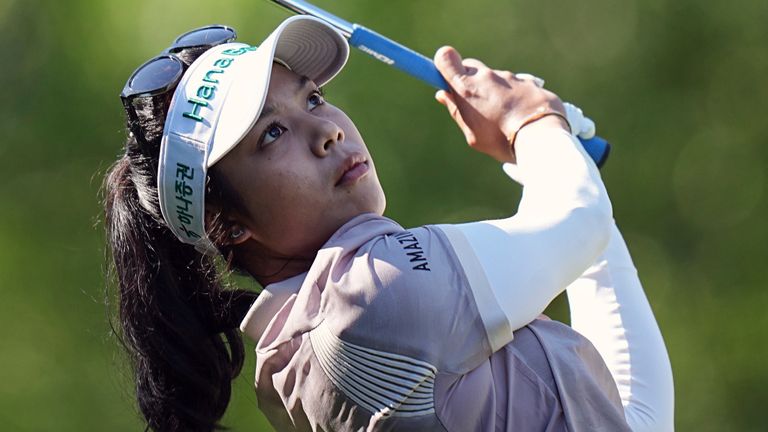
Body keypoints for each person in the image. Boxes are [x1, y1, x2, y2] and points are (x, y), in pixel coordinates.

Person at [105, 15, 674, 432]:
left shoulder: (315, 340)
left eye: (315, 98)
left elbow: (635, 419)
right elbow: (577, 222)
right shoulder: (371, 297)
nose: (327, 131)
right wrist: (532, 121)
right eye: (271, 134)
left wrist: (548, 154)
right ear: (227, 226)